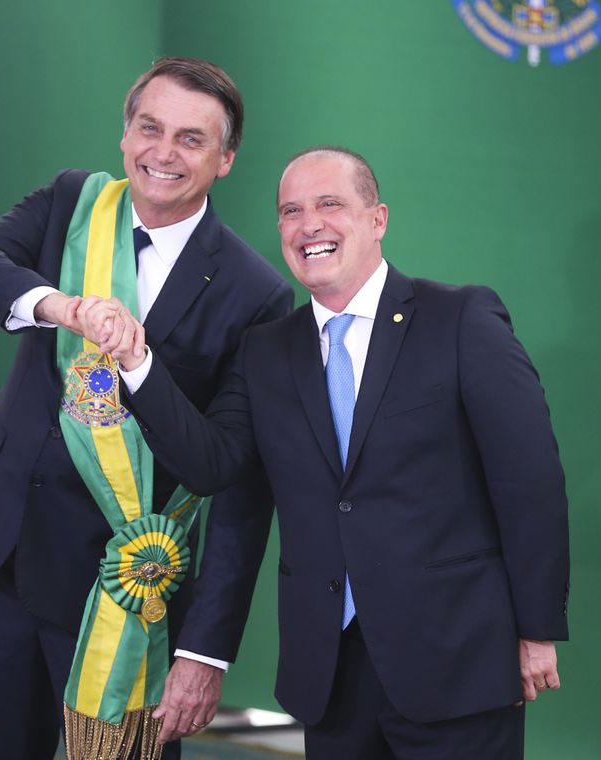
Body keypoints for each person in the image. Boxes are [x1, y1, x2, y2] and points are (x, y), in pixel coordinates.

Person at [83, 146, 570, 759]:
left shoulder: (460, 319)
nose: (308, 224)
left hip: (458, 662)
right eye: (290, 211)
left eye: (329, 204)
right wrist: (137, 363)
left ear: (378, 219)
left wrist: (536, 629)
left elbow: (529, 483)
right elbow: (212, 465)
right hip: (330, 676)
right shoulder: (265, 352)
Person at [0, 57, 292, 759]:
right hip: (10, 555)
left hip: (130, 592)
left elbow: (233, 480)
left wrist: (206, 651)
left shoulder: (257, 294)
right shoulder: (75, 204)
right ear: (125, 134)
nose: (163, 152)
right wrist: (58, 306)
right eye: (149, 128)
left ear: (226, 159)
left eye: (191, 139)